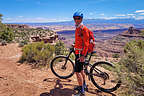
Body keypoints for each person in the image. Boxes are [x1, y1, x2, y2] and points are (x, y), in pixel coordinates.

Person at [73, 11, 94, 95]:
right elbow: (80, 40)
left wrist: (83, 55)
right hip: (78, 51)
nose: (76, 20)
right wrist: (75, 44)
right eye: (75, 18)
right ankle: (83, 85)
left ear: (81, 19)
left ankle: (81, 91)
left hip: (80, 53)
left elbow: (86, 43)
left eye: (78, 18)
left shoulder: (83, 29)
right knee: (81, 70)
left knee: (77, 72)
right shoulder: (78, 27)